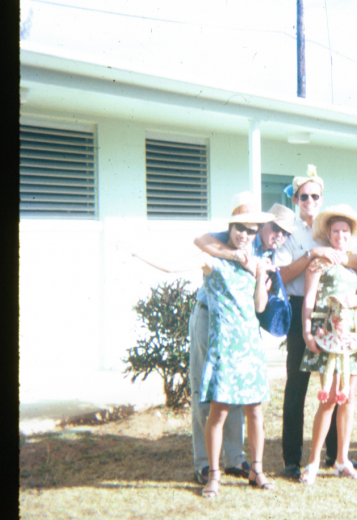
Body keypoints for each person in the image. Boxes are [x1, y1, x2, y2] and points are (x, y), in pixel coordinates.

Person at [128, 196, 278, 496]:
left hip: (250, 348)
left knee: (255, 413)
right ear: (229, 228)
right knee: (217, 414)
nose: (244, 235)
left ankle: (257, 470)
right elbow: (172, 266)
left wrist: (261, 274)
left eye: (250, 230)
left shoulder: (256, 262)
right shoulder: (214, 260)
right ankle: (213, 475)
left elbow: (260, 307)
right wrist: (136, 251)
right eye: (239, 228)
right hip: (224, 347)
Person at [188, 200, 295, 485]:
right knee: (208, 394)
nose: (279, 236)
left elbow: (260, 301)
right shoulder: (238, 234)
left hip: (242, 328)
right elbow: (201, 241)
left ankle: (234, 459)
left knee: (239, 395)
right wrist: (237, 256)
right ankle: (204, 464)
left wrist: (259, 275)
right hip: (210, 317)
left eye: (286, 233)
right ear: (264, 224)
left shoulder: (269, 254)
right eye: (276, 229)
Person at [274, 165, 357, 479]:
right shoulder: (290, 234)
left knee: (338, 385)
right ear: (296, 199)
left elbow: (355, 262)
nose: (309, 201)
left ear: (321, 199)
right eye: (304, 196)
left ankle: (336, 455)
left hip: (338, 314)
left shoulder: (333, 229)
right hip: (302, 307)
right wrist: (313, 254)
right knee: (298, 386)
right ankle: (292, 458)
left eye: (315, 196)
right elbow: (283, 276)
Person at [298, 205, 357, 484]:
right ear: (328, 234)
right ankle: (313, 462)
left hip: (350, 337)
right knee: (328, 399)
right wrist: (307, 332)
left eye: (345, 231)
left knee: (348, 399)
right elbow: (309, 299)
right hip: (327, 336)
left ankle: (342, 458)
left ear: (351, 235)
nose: (341, 236)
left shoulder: (353, 266)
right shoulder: (318, 263)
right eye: (336, 231)